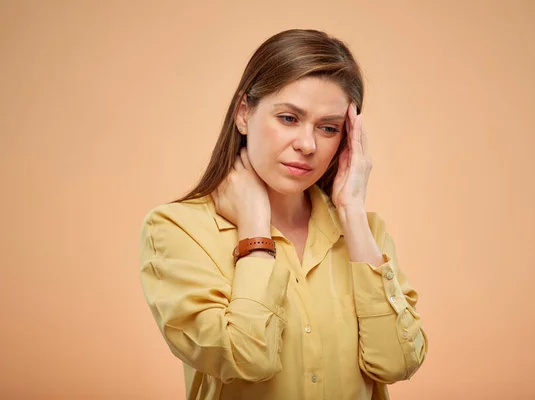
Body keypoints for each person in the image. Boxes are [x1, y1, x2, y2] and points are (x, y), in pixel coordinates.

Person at [139, 29, 428, 400]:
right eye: (289, 118)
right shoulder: (177, 230)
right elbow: (248, 358)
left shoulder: (365, 234)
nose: (307, 145)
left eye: (328, 128)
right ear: (244, 113)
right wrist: (255, 231)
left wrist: (352, 211)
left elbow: (399, 363)